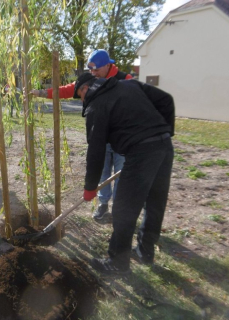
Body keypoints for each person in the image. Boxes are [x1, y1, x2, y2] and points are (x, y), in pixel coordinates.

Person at [74, 73, 174, 274]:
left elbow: (96, 151)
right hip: (164, 146)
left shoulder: (96, 104)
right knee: (155, 203)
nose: (82, 101)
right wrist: (163, 132)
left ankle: (117, 264)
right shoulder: (129, 85)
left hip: (142, 152)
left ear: (85, 89)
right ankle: (145, 252)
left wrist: (90, 187)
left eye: (80, 96)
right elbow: (166, 100)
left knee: (123, 210)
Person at [32, 49, 132, 220]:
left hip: (123, 139)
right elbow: (66, 90)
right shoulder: (91, 81)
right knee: (102, 171)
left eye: (96, 69)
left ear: (108, 65)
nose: (93, 73)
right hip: (102, 138)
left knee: (122, 174)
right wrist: (40, 93)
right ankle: (103, 204)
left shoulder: (125, 80)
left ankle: (119, 210)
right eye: (90, 70)